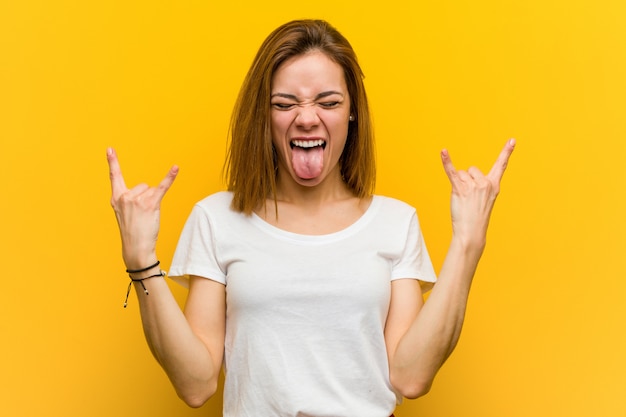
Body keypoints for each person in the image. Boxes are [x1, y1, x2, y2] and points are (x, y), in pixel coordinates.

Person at [107, 19, 515, 417]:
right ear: (264, 118)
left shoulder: (395, 223)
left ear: (352, 113)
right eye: (285, 104)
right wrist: (141, 259)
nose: (306, 117)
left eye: (329, 102)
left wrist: (467, 243)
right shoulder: (216, 219)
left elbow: (411, 376)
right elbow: (195, 384)